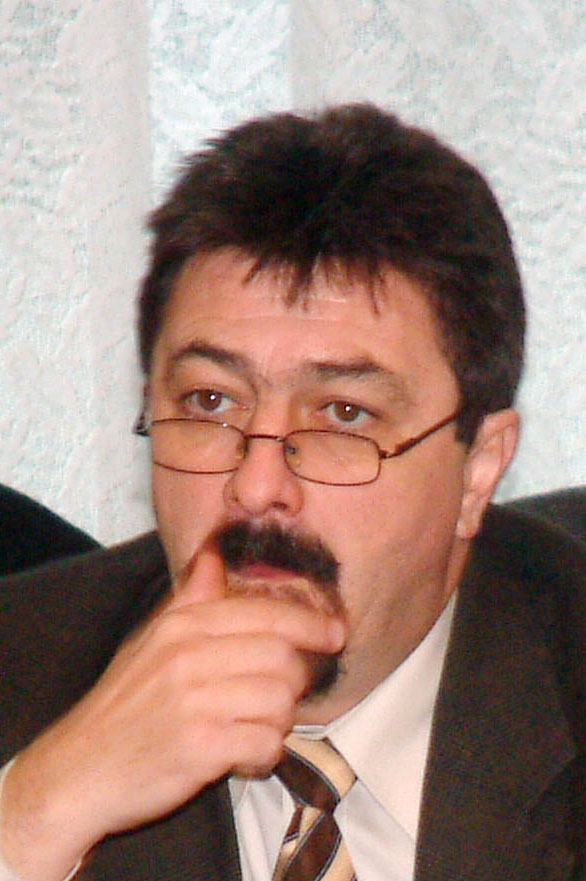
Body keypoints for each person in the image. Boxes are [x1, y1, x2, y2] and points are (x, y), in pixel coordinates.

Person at [0, 103, 584, 881]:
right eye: (210, 401)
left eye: (343, 414)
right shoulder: (22, 671)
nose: (256, 486)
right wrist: (35, 816)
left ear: (479, 467)